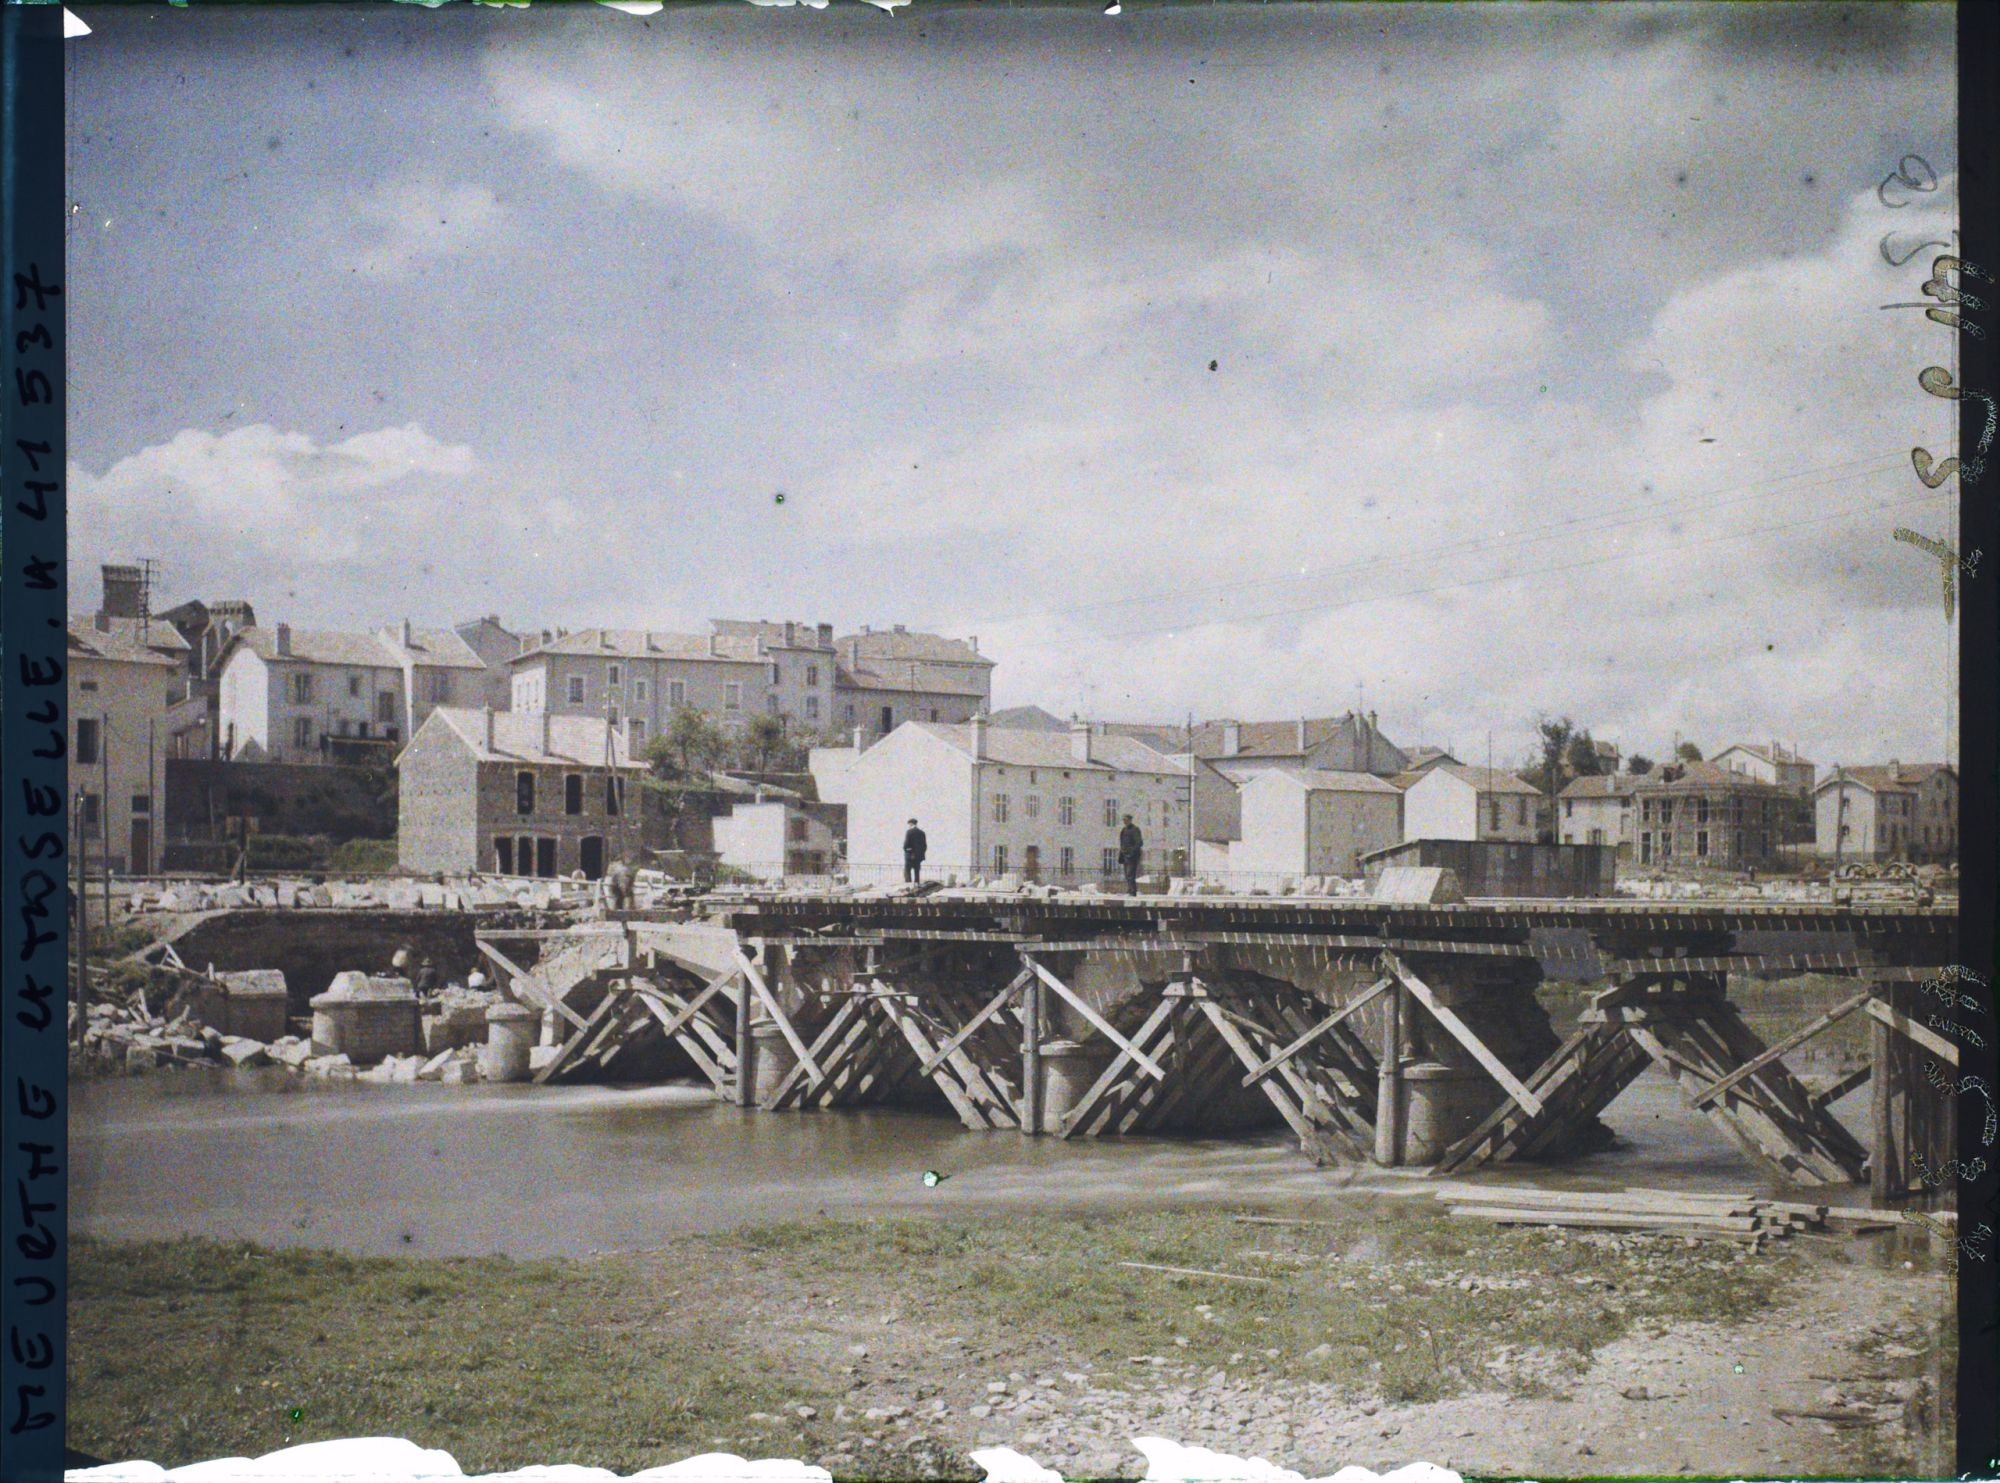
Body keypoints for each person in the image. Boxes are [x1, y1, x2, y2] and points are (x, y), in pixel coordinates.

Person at [1118, 813, 1144, 895]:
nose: (1125, 822)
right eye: (1124, 820)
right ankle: (1130, 889)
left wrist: (1132, 852)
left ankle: (1133, 891)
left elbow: (1139, 842)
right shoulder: (1123, 830)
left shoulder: (1135, 829)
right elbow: (1122, 843)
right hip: (1125, 855)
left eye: (1126, 820)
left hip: (1132, 856)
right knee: (1127, 874)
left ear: (1130, 820)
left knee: (1130, 874)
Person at [903, 818, 928, 884]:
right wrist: (921, 854)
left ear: (911, 823)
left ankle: (909, 885)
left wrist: (906, 850)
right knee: (917, 872)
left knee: (907, 871)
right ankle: (917, 885)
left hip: (910, 855)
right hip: (918, 856)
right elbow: (924, 846)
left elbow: (906, 844)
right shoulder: (922, 833)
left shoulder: (909, 832)